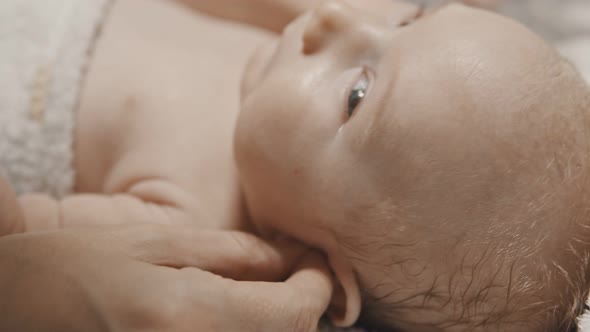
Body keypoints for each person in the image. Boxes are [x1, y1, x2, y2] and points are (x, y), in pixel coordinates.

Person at [2, 0, 589, 331]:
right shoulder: (272, 59)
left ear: (331, 282)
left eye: (357, 94)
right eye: (409, 22)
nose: (331, 18)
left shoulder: (197, 230)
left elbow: (24, 241)